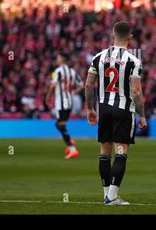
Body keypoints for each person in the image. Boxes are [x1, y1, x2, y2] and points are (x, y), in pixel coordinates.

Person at [85, 21, 147, 205]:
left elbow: (89, 84)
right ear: (130, 36)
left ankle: (106, 194)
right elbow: (136, 91)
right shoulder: (133, 61)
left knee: (105, 152)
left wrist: (90, 108)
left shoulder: (98, 57)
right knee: (121, 151)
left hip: (103, 108)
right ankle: (112, 196)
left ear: (113, 34)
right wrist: (142, 114)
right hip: (123, 109)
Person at [45, 53, 83, 159]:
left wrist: (47, 97)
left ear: (62, 60)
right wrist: (73, 93)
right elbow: (81, 85)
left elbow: (53, 85)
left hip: (61, 101)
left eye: (58, 58)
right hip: (70, 101)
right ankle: (70, 141)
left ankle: (72, 148)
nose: (57, 59)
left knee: (59, 125)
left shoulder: (57, 72)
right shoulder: (72, 71)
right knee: (62, 123)